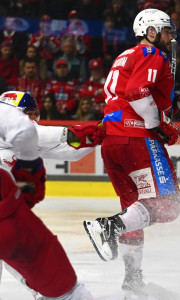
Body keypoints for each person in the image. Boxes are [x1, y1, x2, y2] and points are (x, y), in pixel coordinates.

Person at [83, 9, 180, 296]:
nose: (171, 36)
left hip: (112, 141)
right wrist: (160, 124)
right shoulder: (154, 54)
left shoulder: (123, 56)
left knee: (135, 211)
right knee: (168, 205)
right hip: (136, 138)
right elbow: (138, 92)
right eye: (166, 30)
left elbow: (119, 92)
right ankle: (108, 227)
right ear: (150, 32)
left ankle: (132, 281)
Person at [0, 91, 103, 299]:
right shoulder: (12, 125)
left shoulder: (20, 140)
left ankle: (40, 290)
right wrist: (77, 133)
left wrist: (95, 138)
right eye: (28, 114)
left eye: (35, 115)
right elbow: (46, 135)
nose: (33, 121)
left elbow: (69, 153)